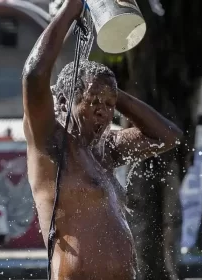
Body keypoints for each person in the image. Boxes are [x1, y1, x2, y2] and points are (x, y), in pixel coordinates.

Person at [21, 0, 183, 279]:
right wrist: (72, 8)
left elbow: (168, 137)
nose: (103, 111)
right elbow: (34, 75)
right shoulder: (50, 142)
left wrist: (114, 92)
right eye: (94, 100)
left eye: (110, 105)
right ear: (63, 100)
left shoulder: (107, 148)